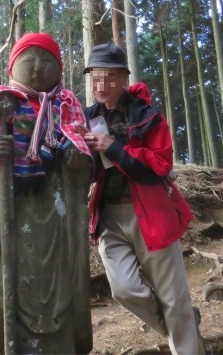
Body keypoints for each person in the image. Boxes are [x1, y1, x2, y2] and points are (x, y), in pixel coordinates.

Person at [82, 43, 205, 355]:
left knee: (173, 298)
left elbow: (160, 166)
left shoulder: (146, 115)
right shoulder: (86, 118)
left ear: (124, 77)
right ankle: (183, 325)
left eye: (109, 77)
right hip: (109, 216)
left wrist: (114, 148)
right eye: (95, 77)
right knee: (124, 289)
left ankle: (186, 340)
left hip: (151, 213)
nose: (101, 85)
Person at [0, 32, 93, 354]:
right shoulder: (5, 106)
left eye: (46, 60)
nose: (38, 67)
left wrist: (76, 161)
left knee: (63, 281)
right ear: (14, 67)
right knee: (20, 277)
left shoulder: (67, 105)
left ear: (58, 65)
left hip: (60, 211)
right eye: (30, 60)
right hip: (20, 210)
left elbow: (83, 154)